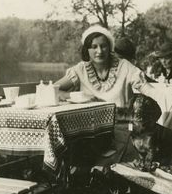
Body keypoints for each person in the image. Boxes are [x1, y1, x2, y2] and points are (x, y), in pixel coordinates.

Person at [55, 25, 158, 164]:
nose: (99, 51)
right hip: (89, 131)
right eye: (94, 47)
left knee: (109, 165)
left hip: (122, 129)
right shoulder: (80, 69)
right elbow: (53, 90)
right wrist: (77, 96)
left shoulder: (124, 66)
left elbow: (149, 91)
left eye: (103, 46)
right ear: (87, 49)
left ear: (110, 47)